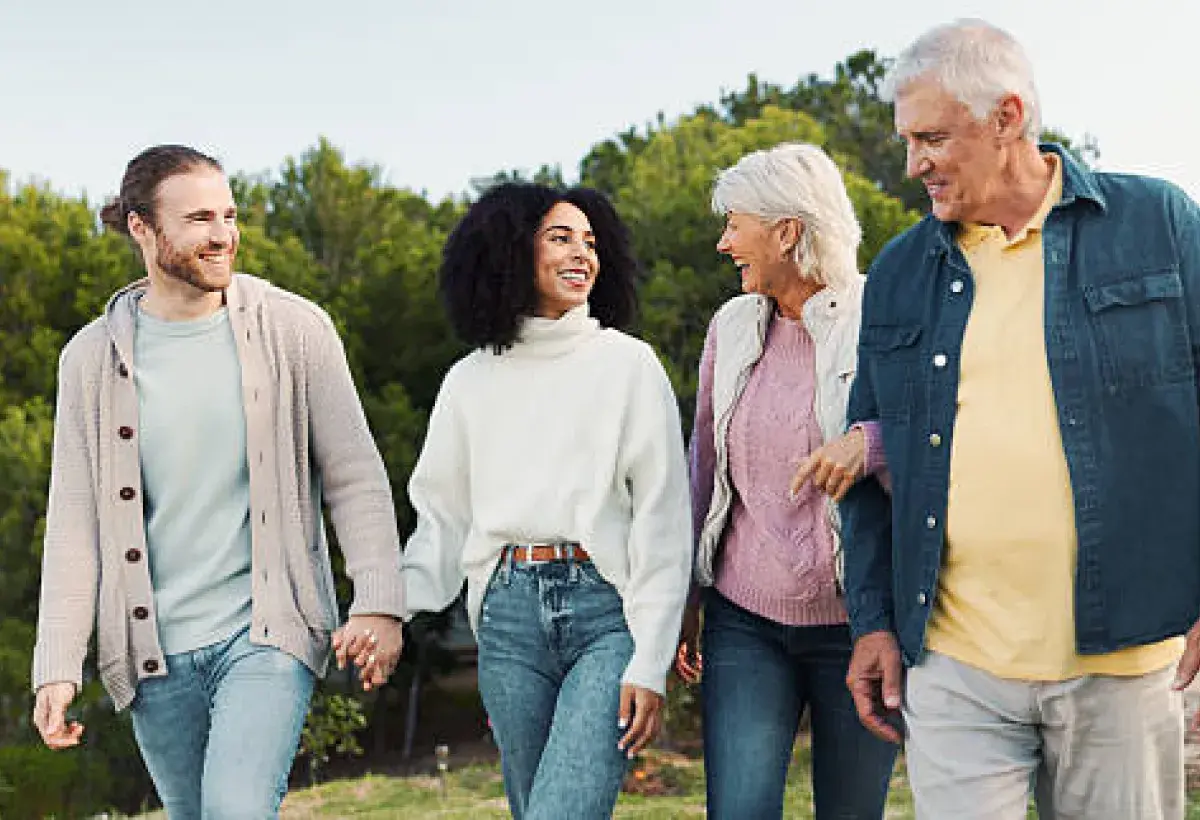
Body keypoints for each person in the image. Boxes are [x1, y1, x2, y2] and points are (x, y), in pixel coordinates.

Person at [840, 19, 1200, 819]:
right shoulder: (900, 271)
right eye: (907, 140)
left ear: (1007, 117)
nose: (913, 164)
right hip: (956, 662)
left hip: (1125, 659)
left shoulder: (1159, 225)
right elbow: (868, 455)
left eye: (931, 137)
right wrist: (872, 621)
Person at [31, 145, 406, 818]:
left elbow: (355, 477)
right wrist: (57, 666)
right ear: (143, 229)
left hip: (266, 635)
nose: (223, 234)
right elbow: (74, 527)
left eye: (228, 215)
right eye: (200, 218)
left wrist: (378, 601)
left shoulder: (293, 330)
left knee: (236, 809)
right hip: (153, 658)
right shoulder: (88, 360)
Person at [401, 182, 692, 820]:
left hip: (606, 612)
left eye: (591, 242)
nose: (581, 254)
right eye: (560, 238)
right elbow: (443, 518)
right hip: (507, 618)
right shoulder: (470, 379)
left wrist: (650, 659)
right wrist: (390, 608)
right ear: (511, 252)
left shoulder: (629, 366)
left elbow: (663, 521)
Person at [674, 142, 897, 820]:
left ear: (787, 230)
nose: (723, 243)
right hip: (746, 620)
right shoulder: (732, 325)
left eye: (734, 225)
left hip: (860, 622)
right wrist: (684, 592)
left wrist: (871, 443)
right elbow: (702, 466)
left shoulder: (881, 317)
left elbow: (943, 431)